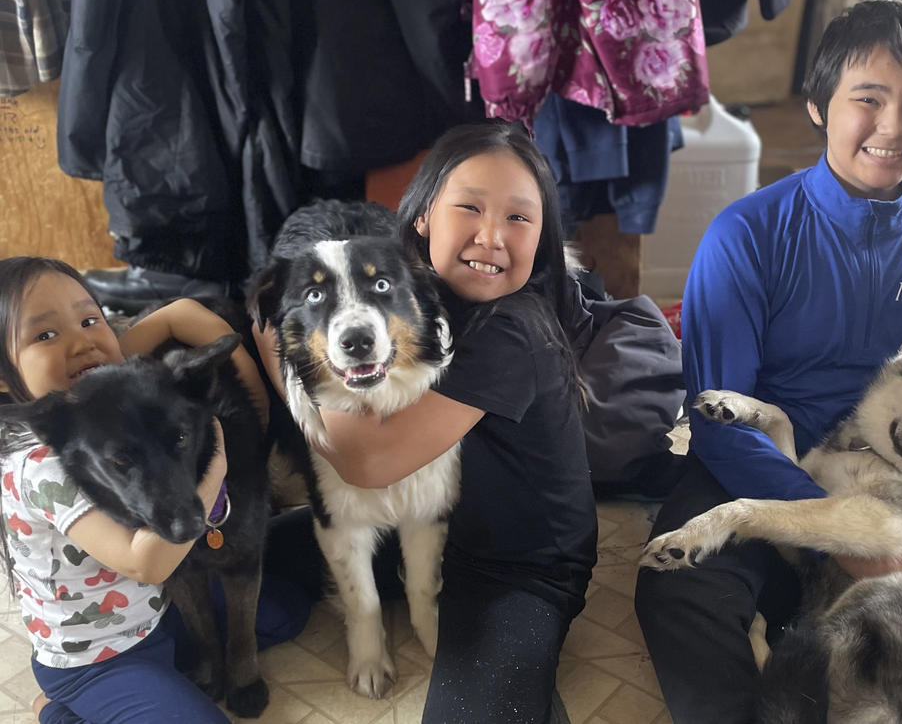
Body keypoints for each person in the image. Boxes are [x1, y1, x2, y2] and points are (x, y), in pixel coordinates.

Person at [634, 0, 902, 724]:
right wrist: (849, 540)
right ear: (818, 105)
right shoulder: (746, 234)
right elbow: (719, 418)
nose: (892, 127)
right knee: (678, 590)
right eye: (868, 99)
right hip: (764, 463)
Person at [255, 120, 598, 722]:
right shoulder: (419, 295)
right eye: (469, 207)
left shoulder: (512, 331)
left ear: (543, 238)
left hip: (516, 567)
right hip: (434, 523)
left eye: (519, 218)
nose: (491, 236)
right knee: (251, 559)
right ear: (421, 219)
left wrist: (273, 346)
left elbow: (367, 460)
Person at [0, 256, 304, 723]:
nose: (82, 342)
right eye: (44, 334)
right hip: (99, 658)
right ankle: (60, 712)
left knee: (284, 613)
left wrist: (241, 362)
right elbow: (150, 561)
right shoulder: (42, 467)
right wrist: (215, 465)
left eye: (89, 319)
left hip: (156, 619)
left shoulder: (106, 390)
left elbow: (173, 319)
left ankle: (170, 675)